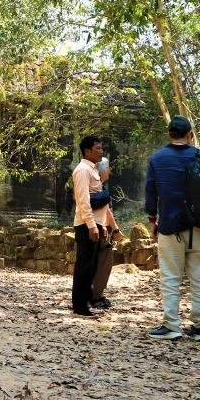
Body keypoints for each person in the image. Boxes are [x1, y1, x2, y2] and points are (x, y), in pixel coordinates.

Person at [144, 115, 200, 341]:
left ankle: (172, 325)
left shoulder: (157, 158)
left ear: (169, 134)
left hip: (170, 226)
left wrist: (152, 221)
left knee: (171, 277)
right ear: (189, 134)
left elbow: (151, 191)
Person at [71, 135, 110, 317]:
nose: (101, 151)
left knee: (92, 266)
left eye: (102, 148)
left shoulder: (93, 170)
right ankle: (79, 306)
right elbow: (83, 200)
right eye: (98, 148)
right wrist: (91, 225)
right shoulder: (82, 171)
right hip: (86, 225)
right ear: (87, 151)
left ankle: (86, 300)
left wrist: (100, 225)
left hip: (95, 224)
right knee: (84, 266)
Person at [91, 160, 124, 309]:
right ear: (102, 170)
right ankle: (96, 296)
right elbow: (106, 210)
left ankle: (93, 295)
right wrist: (115, 229)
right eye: (108, 167)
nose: (110, 170)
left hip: (95, 228)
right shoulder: (97, 186)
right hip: (98, 230)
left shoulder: (96, 185)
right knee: (103, 263)